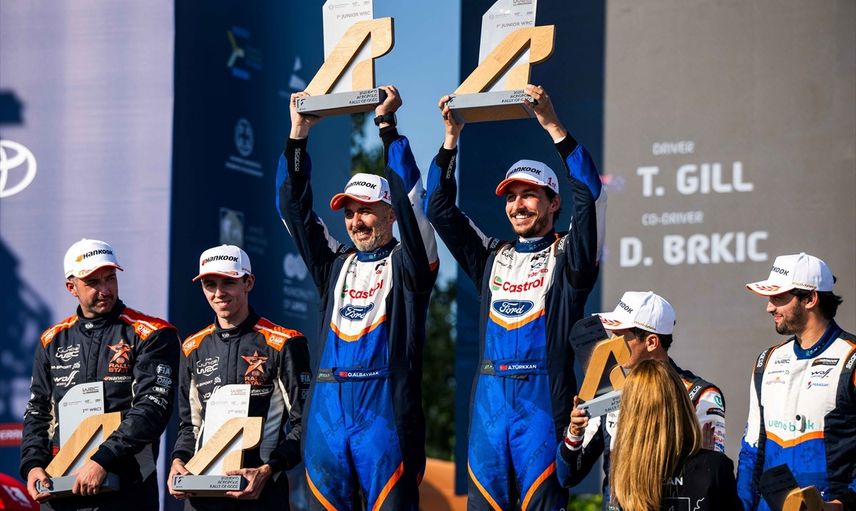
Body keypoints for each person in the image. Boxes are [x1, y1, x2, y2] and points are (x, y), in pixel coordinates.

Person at [426, 85, 607, 509]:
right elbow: (438, 208)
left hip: (542, 404)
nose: (517, 205)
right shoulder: (492, 255)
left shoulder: (570, 255)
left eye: (528, 194)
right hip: (489, 407)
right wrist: (451, 138)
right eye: (510, 196)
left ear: (553, 202)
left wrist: (551, 123)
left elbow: (590, 192)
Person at [277, 86, 438, 510]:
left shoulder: (410, 264)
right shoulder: (334, 263)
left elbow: (414, 201)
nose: (356, 221)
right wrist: (298, 134)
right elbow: (293, 209)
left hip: (385, 413)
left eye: (365, 210)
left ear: (390, 213)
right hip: (328, 412)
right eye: (348, 213)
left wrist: (387, 128)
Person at [20, 239, 180, 510]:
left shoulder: (151, 333)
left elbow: (152, 408)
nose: (105, 290)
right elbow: (38, 411)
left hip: (127, 488)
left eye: (110, 278)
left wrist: (102, 460)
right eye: (93, 282)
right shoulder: (52, 340)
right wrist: (32, 464)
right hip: (60, 490)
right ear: (71, 287)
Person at [168, 244, 311, 510]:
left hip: (260, 492)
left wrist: (269, 469)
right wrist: (178, 460)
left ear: (248, 282)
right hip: (202, 494)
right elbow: (190, 426)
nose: (219, 293)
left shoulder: (283, 343)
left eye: (229, 282)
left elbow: (305, 424)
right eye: (210, 284)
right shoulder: (192, 347)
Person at [556, 291, 726, 509]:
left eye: (620, 336)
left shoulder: (701, 395)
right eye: (612, 334)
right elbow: (567, 476)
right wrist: (574, 432)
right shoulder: (607, 392)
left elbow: (711, 481)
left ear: (652, 342)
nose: (611, 342)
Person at [738, 253, 855, 511]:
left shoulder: (851, 359)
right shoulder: (767, 361)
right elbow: (751, 452)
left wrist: (839, 505)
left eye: (779, 297)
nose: (770, 307)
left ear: (810, 299)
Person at [608, 359, 740, 511]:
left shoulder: (623, 473)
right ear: (681, 405)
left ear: (629, 413)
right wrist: (708, 465)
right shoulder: (716, 466)